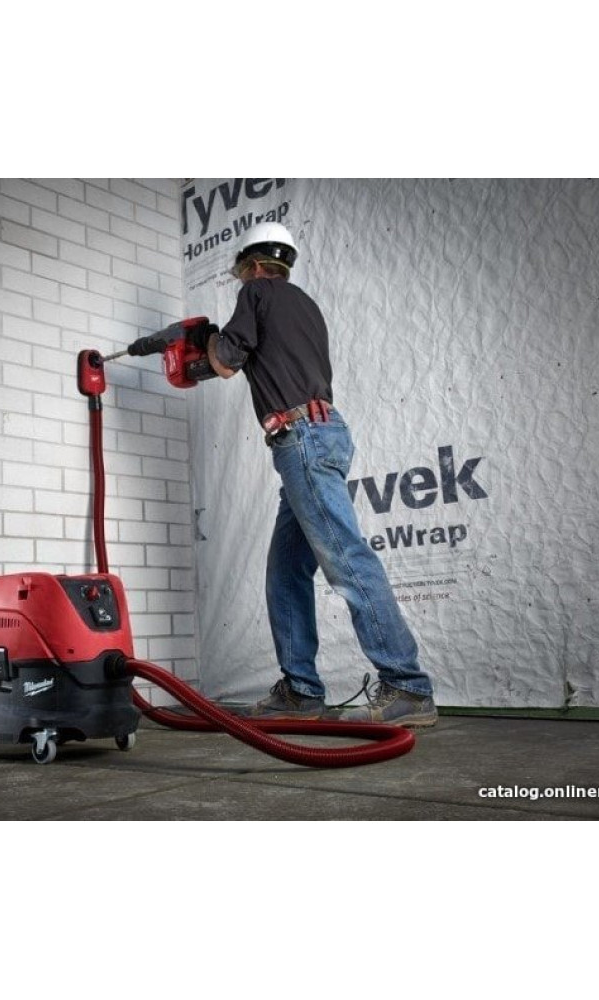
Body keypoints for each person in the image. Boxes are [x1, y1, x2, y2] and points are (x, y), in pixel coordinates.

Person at [205, 222, 437, 728]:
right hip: (320, 434)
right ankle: (301, 691)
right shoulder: (305, 304)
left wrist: (204, 338)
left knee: (347, 559)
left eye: (242, 272)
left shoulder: (256, 293)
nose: (242, 279)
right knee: (285, 571)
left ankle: (407, 686)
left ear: (254, 266)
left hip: (302, 439)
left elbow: (223, 362)